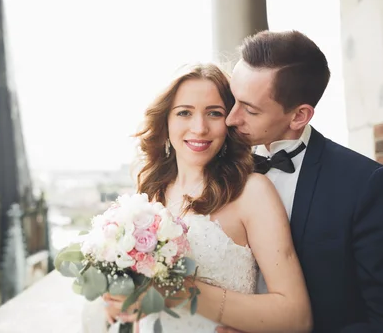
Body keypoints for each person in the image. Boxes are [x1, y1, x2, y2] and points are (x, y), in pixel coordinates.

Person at [216, 30, 383, 332]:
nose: (230, 118)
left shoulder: (367, 186)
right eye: (233, 98)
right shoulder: (214, 161)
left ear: (299, 116)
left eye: (250, 109)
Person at [104, 63, 313, 332]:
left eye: (214, 113)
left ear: (229, 123)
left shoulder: (252, 192)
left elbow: (296, 318)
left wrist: (178, 290)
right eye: (184, 113)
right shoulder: (150, 191)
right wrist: (125, 299)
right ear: (166, 122)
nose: (199, 128)